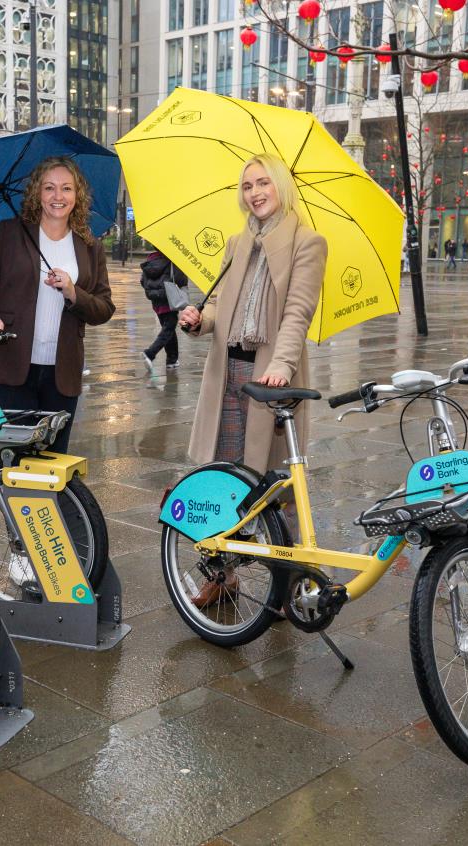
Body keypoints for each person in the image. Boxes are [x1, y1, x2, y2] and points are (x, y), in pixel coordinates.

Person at [178, 153, 326, 606]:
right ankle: (222, 577)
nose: (255, 192)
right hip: (229, 375)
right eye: (247, 186)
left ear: (280, 186)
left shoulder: (307, 242)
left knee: (275, 486)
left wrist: (280, 366)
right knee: (223, 480)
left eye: (263, 183)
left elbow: (298, 313)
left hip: (270, 378)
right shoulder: (236, 242)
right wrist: (198, 320)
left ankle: (291, 584)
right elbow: (222, 304)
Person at [0, 155, 115, 453]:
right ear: (37, 193)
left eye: (67, 188)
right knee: (15, 460)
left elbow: (104, 307)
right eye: (49, 188)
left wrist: (73, 292)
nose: (58, 196)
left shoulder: (89, 245)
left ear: (78, 195)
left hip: (63, 372)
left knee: (54, 462)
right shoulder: (11, 232)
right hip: (11, 365)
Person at [139, 250, 189, 372]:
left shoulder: (150, 260)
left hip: (156, 302)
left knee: (169, 329)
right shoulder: (172, 260)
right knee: (168, 330)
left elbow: (142, 281)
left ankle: (172, 360)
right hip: (169, 300)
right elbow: (181, 280)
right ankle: (150, 353)